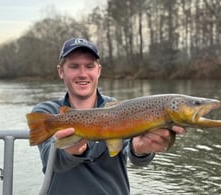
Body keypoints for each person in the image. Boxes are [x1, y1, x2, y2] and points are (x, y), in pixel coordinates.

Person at [31, 37, 186, 195]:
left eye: (89, 66)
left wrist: (141, 149)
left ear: (98, 71)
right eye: (74, 66)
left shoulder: (122, 109)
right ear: (61, 71)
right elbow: (50, 161)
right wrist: (68, 149)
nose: (83, 74)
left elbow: (134, 155)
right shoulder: (47, 113)